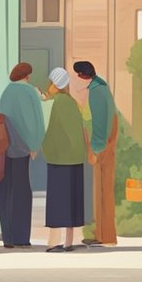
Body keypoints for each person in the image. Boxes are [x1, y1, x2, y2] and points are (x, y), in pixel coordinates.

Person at [0, 62, 44, 249]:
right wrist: (35, 144)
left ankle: (7, 236)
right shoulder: (30, 92)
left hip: (5, 146)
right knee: (22, 191)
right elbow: (35, 121)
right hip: (23, 147)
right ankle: (21, 237)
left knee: (6, 190)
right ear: (27, 76)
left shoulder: (7, 91)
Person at [42, 69, 87, 252]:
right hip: (75, 157)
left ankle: (53, 241)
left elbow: (48, 129)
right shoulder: (72, 103)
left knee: (57, 200)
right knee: (72, 199)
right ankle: (69, 241)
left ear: (55, 84)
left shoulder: (54, 103)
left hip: (59, 158)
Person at [76, 61, 117, 247]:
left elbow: (101, 122)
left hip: (102, 146)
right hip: (106, 144)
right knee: (102, 191)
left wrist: (96, 150)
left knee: (102, 191)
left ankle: (106, 236)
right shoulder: (102, 87)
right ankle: (103, 234)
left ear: (84, 75)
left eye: (78, 74)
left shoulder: (97, 92)